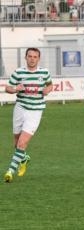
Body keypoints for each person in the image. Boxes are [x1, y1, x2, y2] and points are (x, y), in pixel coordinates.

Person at [3, 48, 53, 183]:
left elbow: (50, 85)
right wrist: (15, 89)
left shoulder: (44, 72)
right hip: (20, 108)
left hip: (35, 111)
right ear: (26, 58)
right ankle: (23, 159)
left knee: (22, 142)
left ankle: (10, 171)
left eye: (35, 57)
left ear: (38, 58)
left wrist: (46, 91)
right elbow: (7, 88)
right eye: (30, 56)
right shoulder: (19, 72)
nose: (32, 59)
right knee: (16, 143)